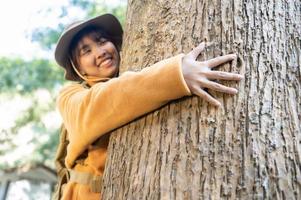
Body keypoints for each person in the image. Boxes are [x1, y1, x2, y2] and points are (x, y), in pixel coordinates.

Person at [53, 13, 243, 200]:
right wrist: (177, 74)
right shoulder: (69, 97)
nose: (99, 51)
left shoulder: (133, 73)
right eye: (86, 51)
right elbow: (100, 102)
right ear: (78, 68)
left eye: (102, 41)